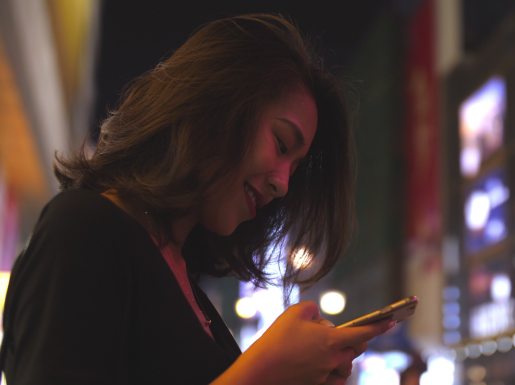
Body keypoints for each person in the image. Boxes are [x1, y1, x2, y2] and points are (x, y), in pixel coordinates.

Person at [0, 14, 394, 385]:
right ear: (215, 106)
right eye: (280, 143)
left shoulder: (183, 278)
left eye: (295, 167)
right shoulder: (84, 229)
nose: (283, 185)